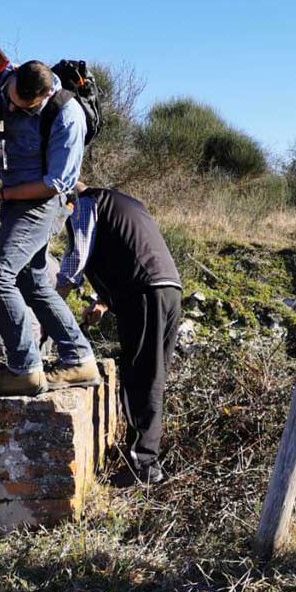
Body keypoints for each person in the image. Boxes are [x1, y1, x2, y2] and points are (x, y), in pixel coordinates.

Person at [0, 60, 99, 394]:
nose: (13, 107)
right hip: (14, 198)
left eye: (22, 106)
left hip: (40, 203)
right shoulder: (3, 83)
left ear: (46, 94)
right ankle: (79, 358)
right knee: (31, 281)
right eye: (11, 99)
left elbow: (57, 183)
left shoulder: (68, 116)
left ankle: (25, 368)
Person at [57, 186, 182, 486]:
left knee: (139, 376)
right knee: (153, 376)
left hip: (144, 292)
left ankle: (143, 467)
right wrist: (103, 302)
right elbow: (130, 250)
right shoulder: (125, 202)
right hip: (169, 290)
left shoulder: (86, 204)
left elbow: (79, 254)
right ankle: (147, 459)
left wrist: (53, 302)